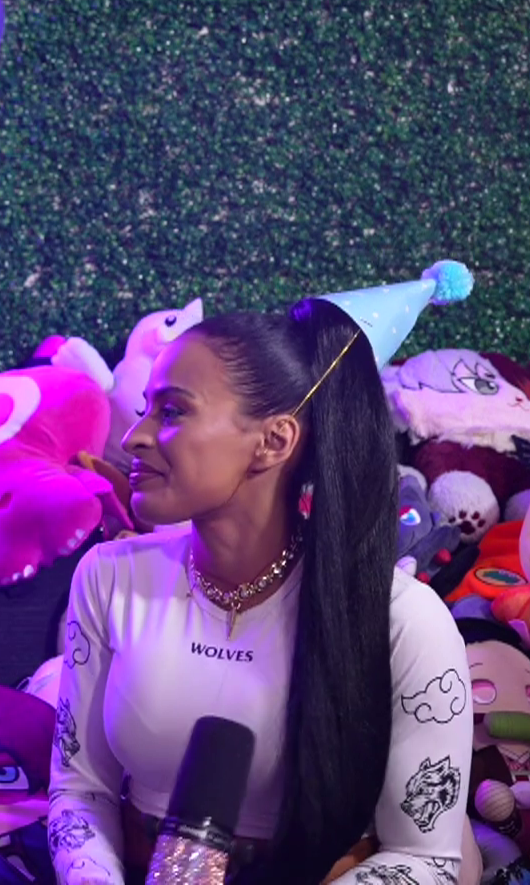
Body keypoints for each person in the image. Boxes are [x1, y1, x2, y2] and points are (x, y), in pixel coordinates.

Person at [48, 294, 473, 885]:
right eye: (145, 409)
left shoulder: (403, 619)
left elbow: (425, 858)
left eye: (172, 411)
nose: (136, 436)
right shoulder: (109, 576)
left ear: (274, 441)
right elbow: (79, 790)